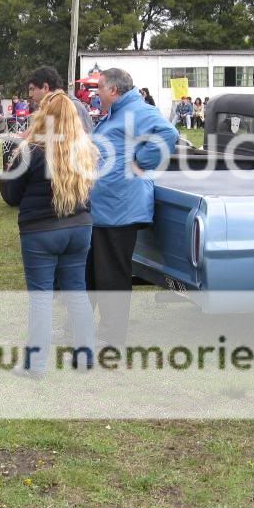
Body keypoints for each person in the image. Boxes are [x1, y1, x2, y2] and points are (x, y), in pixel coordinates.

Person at [0, 91, 98, 378]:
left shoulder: (31, 151)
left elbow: (11, 194)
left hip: (41, 231)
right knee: (77, 292)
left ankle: (36, 364)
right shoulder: (86, 150)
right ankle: (85, 356)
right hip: (79, 227)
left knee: (41, 298)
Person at [88, 68, 178, 347]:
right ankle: (75, 327)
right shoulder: (116, 113)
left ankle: (111, 339)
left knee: (111, 274)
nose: (96, 93)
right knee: (90, 272)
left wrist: (142, 161)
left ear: (114, 90)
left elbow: (169, 133)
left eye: (100, 88)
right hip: (104, 207)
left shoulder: (137, 110)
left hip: (119, 208)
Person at [26, 66, 93, 134]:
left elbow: (85, 140)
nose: (30, 95)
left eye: (32, 89)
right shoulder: (49, 107)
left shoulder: (70, 106)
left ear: (45, 87)